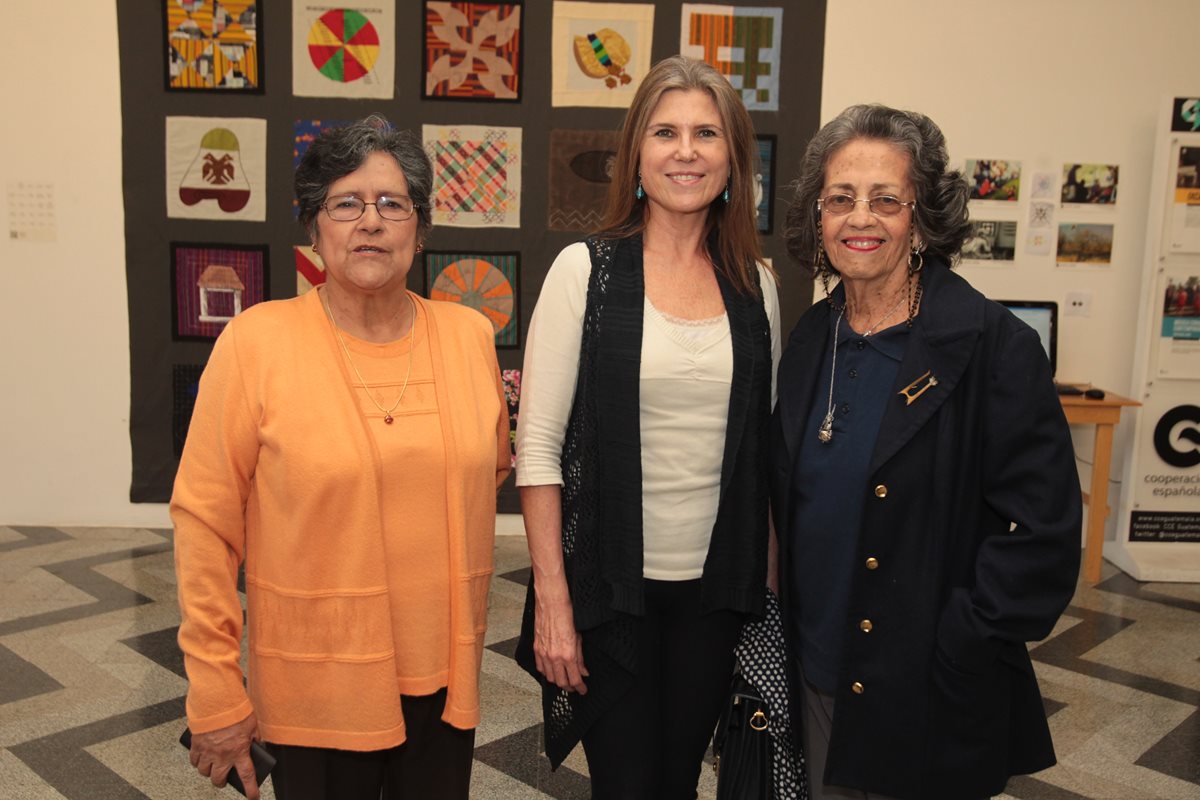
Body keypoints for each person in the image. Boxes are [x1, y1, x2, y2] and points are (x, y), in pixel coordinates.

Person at [172, 115, 511, 800]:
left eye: (392, 204)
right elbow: (204, 522)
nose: (370, 222)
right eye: (345, 203)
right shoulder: (256, 344)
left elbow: (489, 467)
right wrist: (215, 686)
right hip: (314, 690)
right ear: (314, 226)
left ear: (420, 227)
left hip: (445, 684)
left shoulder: (469, 337)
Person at [772, 104, 1081, 800]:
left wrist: (960, 639)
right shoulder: (810, 340)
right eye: (841, 199)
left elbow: (1045, 537)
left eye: (886, 200)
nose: (861, 219)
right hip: (818, 672)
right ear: (817, 217)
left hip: (926, 693)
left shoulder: (990, 346)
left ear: (922, 217)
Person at [513, 55, 782, 798]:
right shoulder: (585, 272)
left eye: (706, 133)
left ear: (733, 159)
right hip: (605, 594)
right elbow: (535, 450)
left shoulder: (755, 285)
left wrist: (768, 583)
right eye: (666, 132)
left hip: (713, 597)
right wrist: (555, 609)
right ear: (637, 153)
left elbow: (760, 448)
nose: (686, 150)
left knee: (676, 785)